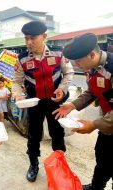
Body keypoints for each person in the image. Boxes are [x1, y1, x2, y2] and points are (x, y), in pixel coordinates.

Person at [12, 21, 74, 182]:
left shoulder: (59, 53)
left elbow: (68, 73)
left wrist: (62, 88)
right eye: (26, 38)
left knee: (57, 134)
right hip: (34, 103)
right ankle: (33, 164)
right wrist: (18, 95)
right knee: (33, 135)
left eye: (33, 38)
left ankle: (60, 165)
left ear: (44, 36)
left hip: (55, 102)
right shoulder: (22, 58)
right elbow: (16, 81)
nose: (29, 42)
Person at [53, 33, 113, 190]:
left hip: (108, 122)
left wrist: (94, 124)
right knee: (102, 157)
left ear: (92, 55)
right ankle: (96, 187)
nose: (76, 64)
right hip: (108, 124)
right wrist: (72, 105)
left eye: (78, 61)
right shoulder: (91, 67)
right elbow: (92, 92)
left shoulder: (112, 68)